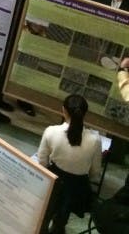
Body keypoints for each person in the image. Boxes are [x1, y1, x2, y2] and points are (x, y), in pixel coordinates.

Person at [37, 94, 102, 234]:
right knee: (64, 210)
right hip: (78, 187)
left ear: (63, 110)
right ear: (85, 113)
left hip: (54, 181)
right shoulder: (95, 140)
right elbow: (95, 172)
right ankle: (59, 227)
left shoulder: (51, 132)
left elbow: (42, 162)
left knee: (48, 209)